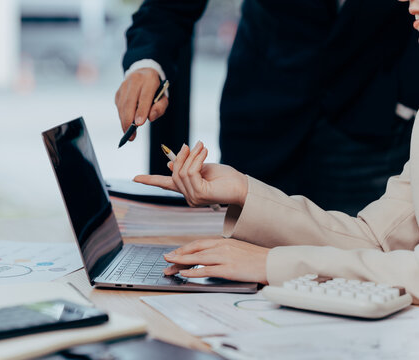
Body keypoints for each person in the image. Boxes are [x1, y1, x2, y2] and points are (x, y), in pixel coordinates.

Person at [133, 0, 419, 303]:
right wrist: (244, 191)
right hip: (266, 108)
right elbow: (374, 240)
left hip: (370, 109)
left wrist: (269, 264)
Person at [116, 0, 419, 215]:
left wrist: (406, 94)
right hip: (263, 117)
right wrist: (147, 63)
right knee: (240, 266)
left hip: (374, 121)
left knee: (357, 268)